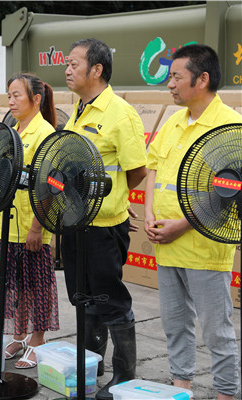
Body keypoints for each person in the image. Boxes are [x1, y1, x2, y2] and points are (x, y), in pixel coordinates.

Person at [145, 44, 241, 400]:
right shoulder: (173, 121)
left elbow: (226, 191)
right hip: (166, 243)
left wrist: (182, 225)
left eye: (176, 77)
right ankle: (180, 388)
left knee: (216, 330)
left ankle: (226, 393)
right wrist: (150, 213)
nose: (169, 84)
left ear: (202, 79)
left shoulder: (229, 126)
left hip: (204, 247)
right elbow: (154, 167)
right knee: (174, 323)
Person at [62, 38, 147, 399]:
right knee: (82, 296)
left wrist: (114, 197)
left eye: (74, 64)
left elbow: (137, 170)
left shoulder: (120, 114)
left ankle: (124, 375)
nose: (67, 69)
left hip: (103, 226)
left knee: (109, 299)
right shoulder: (78, 109)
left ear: (96, 69)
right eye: (67, 63)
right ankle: (90, 364)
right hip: (73, 221)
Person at [0, 73, 60, 368]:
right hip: (8, 223)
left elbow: (51, 185)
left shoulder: (45, 133)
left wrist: (37, 228)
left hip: (32, 226)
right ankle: (18, 336)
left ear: (36, 99)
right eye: (9, 95)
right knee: (14, 285)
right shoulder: (11, 132)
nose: (11, 101)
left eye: (17, 95)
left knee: (37, 286)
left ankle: (37, 340)